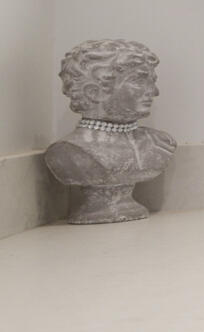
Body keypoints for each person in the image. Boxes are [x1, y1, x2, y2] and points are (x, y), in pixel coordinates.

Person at [43, 39, 176, 224]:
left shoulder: (159, 144)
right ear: (94, 92)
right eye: (139, 80)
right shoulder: (69, 152)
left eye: (152, 81)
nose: (154, 92)